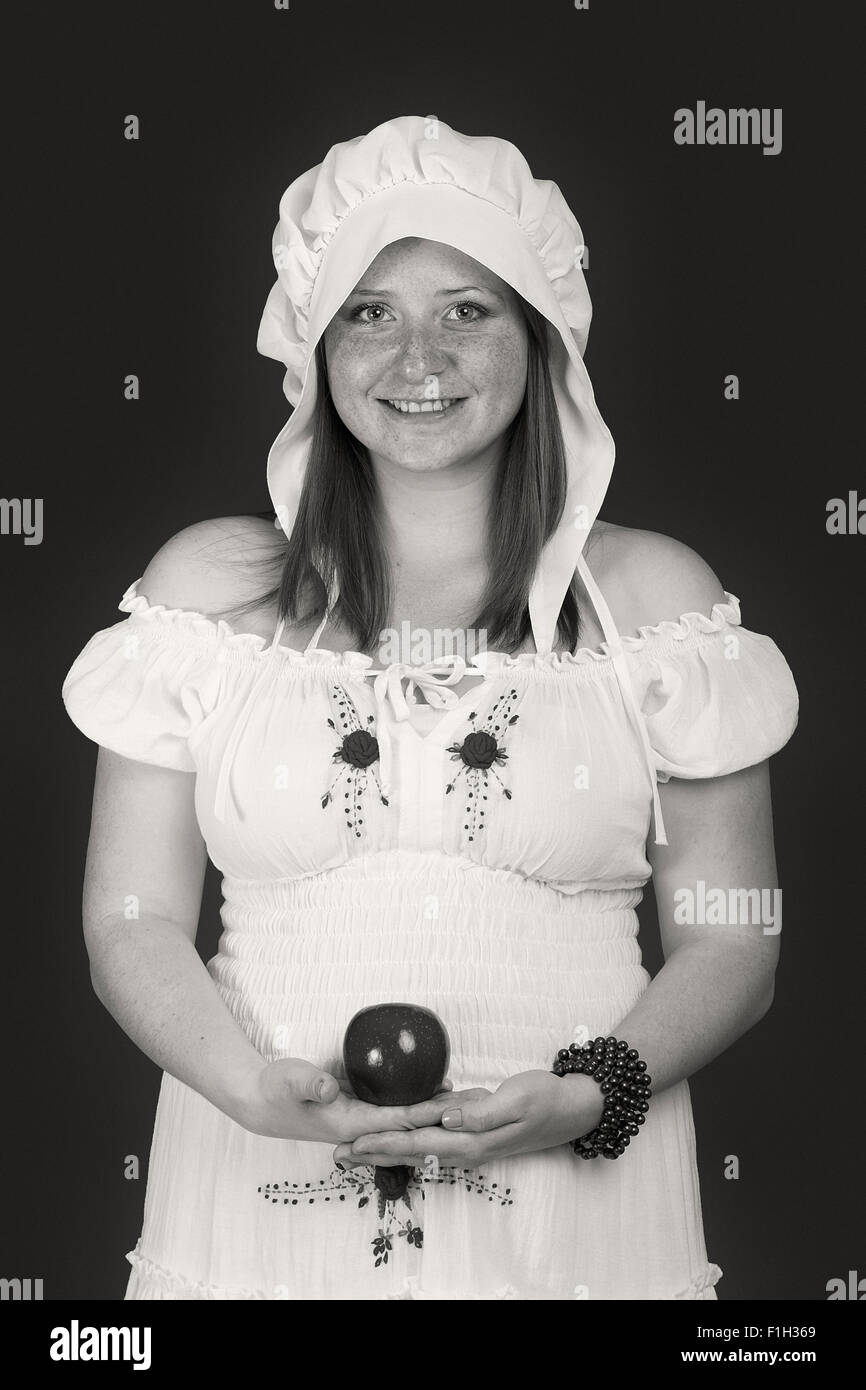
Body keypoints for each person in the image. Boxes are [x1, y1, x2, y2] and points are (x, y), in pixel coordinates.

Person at [61, 115, 799, 1300]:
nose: (418, 358)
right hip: (256, 1203)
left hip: (577, 1224)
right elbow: (129, 921)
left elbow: (732, 936)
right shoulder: (210, 593)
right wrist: (247, 1088)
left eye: (466, 309)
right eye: (368, 310)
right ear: (315, 346)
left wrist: (588, 1092)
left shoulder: (656, 603)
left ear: (541, 336)